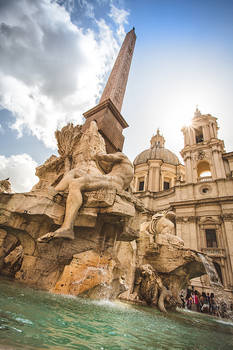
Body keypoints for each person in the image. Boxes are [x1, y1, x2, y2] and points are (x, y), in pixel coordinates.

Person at [38, 152, 134, 243]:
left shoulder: (122, 156)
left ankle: (67, 227)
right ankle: (55, 192)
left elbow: (104, 157)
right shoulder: (125, 168)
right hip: (110, 180)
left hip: (112, 181)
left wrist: (97, 155)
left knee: (76, 183)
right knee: (75, 172)